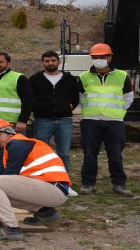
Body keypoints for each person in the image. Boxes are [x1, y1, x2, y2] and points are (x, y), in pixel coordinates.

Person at [0, 118, 70, 241]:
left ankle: (11, 228)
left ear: (9, 131)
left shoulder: (16, 144)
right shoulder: (20, 144)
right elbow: (10, 182)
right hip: (54, 190)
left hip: (53, 190)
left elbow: (9, 177)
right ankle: (45, 211)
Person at [77, 43, 134, 197]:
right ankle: (88, 184)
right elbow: (82, 98)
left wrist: (117, 113)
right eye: (95, 57)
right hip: (90, 121)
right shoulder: (84, 77)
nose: (99, 60)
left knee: (115, 154)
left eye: (102, 57)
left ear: (110, 57)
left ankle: (119, 184)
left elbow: (128, 98)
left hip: (114, 121)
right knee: (89, 154)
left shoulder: (122, 76)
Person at [29, 50, 80, 196]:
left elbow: (75, 98)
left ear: (59, 62)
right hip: (42, 121)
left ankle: (64, 185)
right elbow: (29, 97)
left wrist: (68, 108)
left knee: (63, 153)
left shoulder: (69, 79)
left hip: (65, 121)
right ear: (42, 63)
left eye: (53, 60)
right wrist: (37, 108)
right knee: (41, 153)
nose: (50, 63)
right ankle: (42, 182)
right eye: (47, 61)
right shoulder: (34, 79)